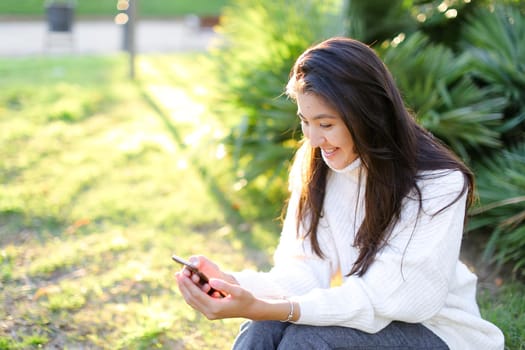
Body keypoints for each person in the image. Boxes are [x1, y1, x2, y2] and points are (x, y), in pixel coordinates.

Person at [175, 37, 504, 349]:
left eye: (327, 124)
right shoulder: (316, 163)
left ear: (367, 115)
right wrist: (235, 285)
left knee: (306, 341)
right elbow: (306, 272)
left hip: (440, 332)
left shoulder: (438, 183)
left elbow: (390, 297)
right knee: (264, 325)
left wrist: (279, 308)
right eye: (305, 121)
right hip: (365, 316)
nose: (314, 139)